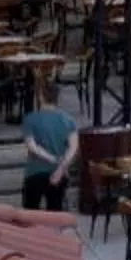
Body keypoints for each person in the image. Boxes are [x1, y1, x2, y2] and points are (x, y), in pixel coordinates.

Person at [19, 81, 79, 212]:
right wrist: (61, 168)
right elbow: (73, 148)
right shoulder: (68, 120)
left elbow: (32, 146)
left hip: (35, 172)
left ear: (40, 97)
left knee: (30, 214)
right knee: (55, 212)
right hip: (59, 173)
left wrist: (50, 158)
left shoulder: (30, 119)